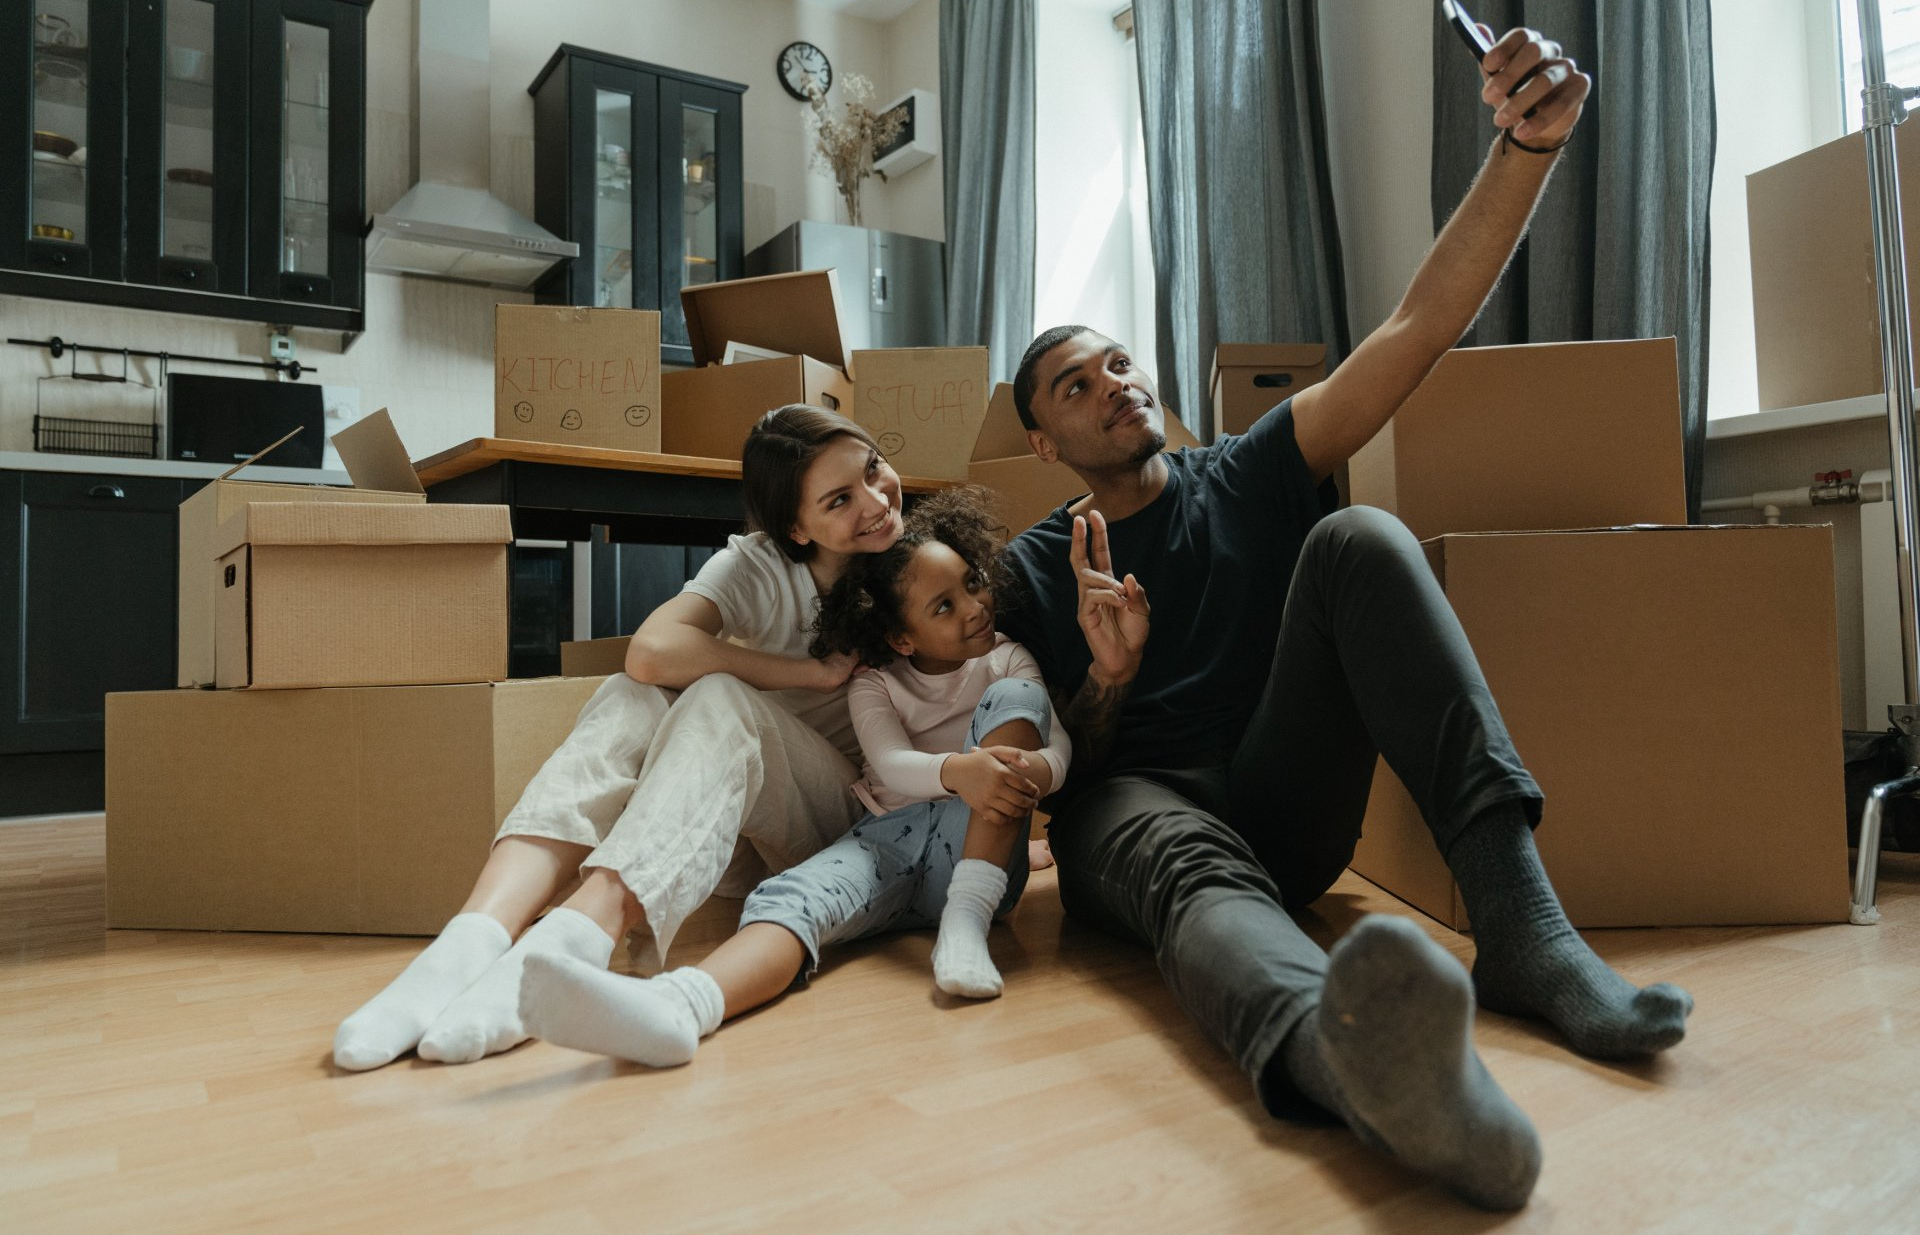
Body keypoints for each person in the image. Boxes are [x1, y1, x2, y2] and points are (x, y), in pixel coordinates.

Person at [992, 26, 1689, 1212]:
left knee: (1358, 537)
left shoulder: (1251, 470)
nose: (1115, 384)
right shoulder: (1033, 563)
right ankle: (1350, 1061)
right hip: (1142, 818)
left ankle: (1525, 932)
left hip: (1284, 801)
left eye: (1118, 363)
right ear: (1042, 441)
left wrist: (1530, 149)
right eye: (1077, 385)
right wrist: (1106, 680)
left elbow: (1414, 331)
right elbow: (1062, 779)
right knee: (1164, 846)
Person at [331, 405, 907, 1071]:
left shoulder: (921, 563)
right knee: (636, 692)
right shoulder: (760, 564)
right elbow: (651, 651)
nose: (875, 501)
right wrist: (811, 673)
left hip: (846, 828)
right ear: (795, 528)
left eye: (872, 470)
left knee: (720, 695)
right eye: (840, 499)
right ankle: (475, 935)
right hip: (737, 824)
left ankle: (582, 932)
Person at [517, 487, 1071, 1066]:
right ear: (901, 637)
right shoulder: (875, 681)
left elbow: (1057, 744)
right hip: (885, 835)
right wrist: (959, 770)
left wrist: (1038, 771)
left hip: (978, 853)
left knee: (1016, 697)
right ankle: (682, 1006)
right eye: (943, 606)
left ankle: (966, 924)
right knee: (791, 899)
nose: (974, 607)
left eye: (973, 583)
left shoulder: (1006, 658)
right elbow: (888, 765)